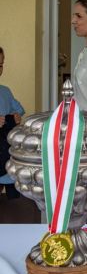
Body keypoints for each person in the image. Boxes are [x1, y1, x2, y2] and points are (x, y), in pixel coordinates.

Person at [0, 47, 24, 199]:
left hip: (5, 146)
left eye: (1, 65)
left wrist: (16, 116)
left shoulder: (5, 91)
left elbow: (19, 109)